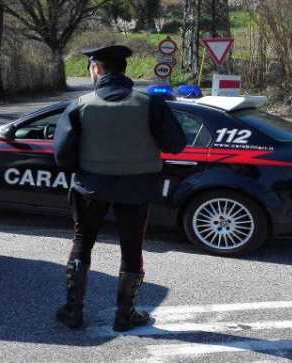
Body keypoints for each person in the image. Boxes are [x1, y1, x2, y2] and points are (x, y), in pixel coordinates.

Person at [53, 45, 186, 332]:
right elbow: (176, 144)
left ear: (97, 69)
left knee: (82, 242)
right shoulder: (150, 104)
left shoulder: (80, 104)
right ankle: (125, 315)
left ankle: (73, 310)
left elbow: (62, 156)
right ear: (122, 69)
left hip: (90, 187)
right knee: (131, 247)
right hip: (137, 189)